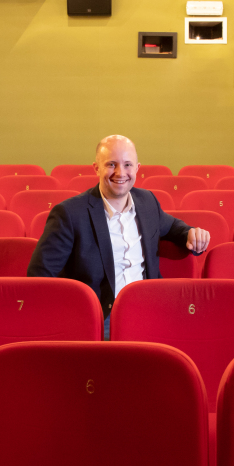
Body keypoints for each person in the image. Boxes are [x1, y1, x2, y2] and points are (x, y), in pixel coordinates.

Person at [28, 135, 211, 339]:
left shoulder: (147, 201)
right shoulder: (70, 213)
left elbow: (173, 226)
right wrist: (68, 316)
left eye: (127, 165)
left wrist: (190, 233)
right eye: (111, 165)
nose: (120, 173)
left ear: (137, 168)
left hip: (150, 307)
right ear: (96, 168)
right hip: (100, 315)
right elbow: (40, 274)